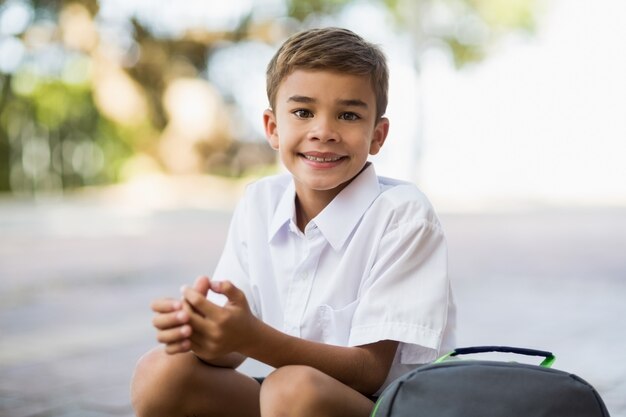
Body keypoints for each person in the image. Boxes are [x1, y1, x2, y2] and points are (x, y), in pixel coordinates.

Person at [130, 27, 456, 417]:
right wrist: (206, 332)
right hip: (288, 402)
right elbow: (234, 348)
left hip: (380, 407)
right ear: (272, 127)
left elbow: (370, 372)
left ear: (377, 135)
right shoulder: (259, 202)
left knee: (292, 388)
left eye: (348, 115)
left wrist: (253, 337)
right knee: (160, 372)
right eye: (303, 112)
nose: (323, 132)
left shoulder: (403, 215)